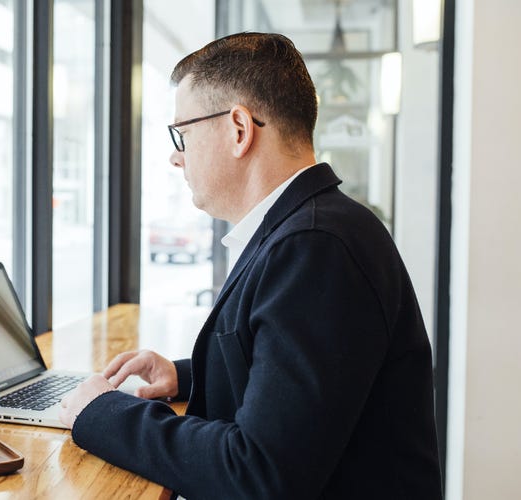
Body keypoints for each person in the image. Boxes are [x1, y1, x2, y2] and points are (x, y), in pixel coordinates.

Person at [59, 32, 442, 499]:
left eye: (184, 133)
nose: (176, 156)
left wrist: (100, 412)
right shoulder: (315, 227)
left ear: (239, 129)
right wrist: (185, 376)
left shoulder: (315, 247)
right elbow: (300, 381)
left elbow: (259, 473)